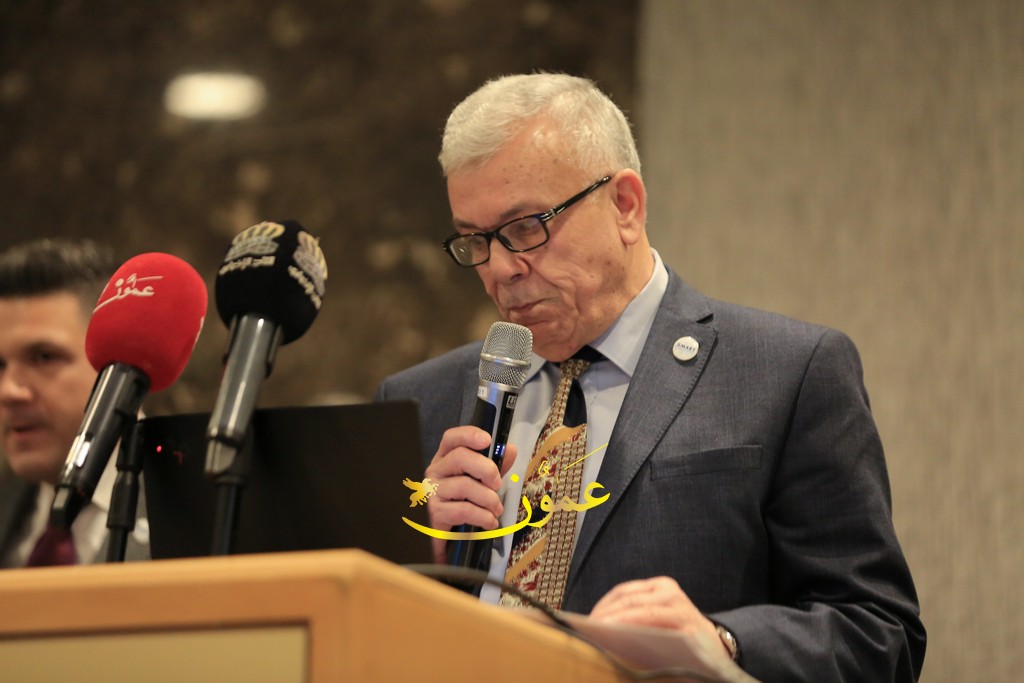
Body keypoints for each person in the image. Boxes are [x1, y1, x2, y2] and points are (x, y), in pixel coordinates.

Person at [375, 73, 925, 681]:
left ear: (625, 206)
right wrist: (411, 560)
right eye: (474, 241)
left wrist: (722, 643)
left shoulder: (787, 373)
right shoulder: (419, 400)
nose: (501, 268)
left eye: (526, 227)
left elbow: (879, 635)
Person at [0, 238, 148, 567]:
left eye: (43, 357)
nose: (9, 390)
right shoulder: (8, 510)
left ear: (120, 361)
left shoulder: (204, 509)